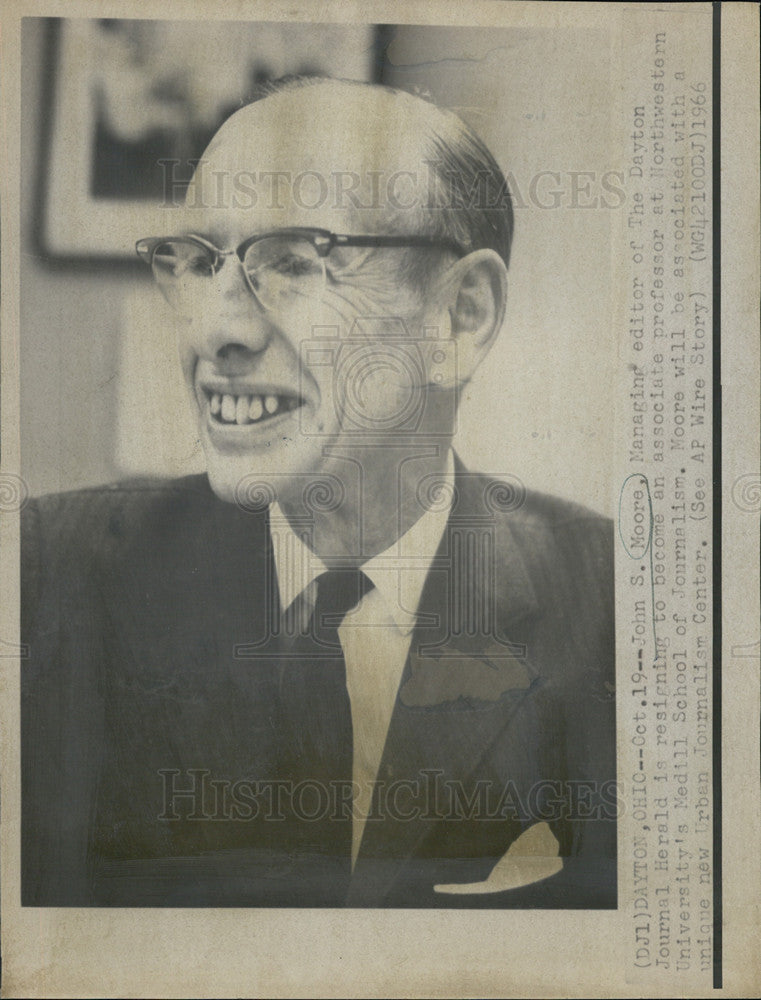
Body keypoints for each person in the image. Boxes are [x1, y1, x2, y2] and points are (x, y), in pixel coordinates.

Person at [22, 77, 616, 908]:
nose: (216, 330)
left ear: (459, 318)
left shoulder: (617, 604)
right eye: (197, 261)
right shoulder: (50, 573)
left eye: (293, 262)